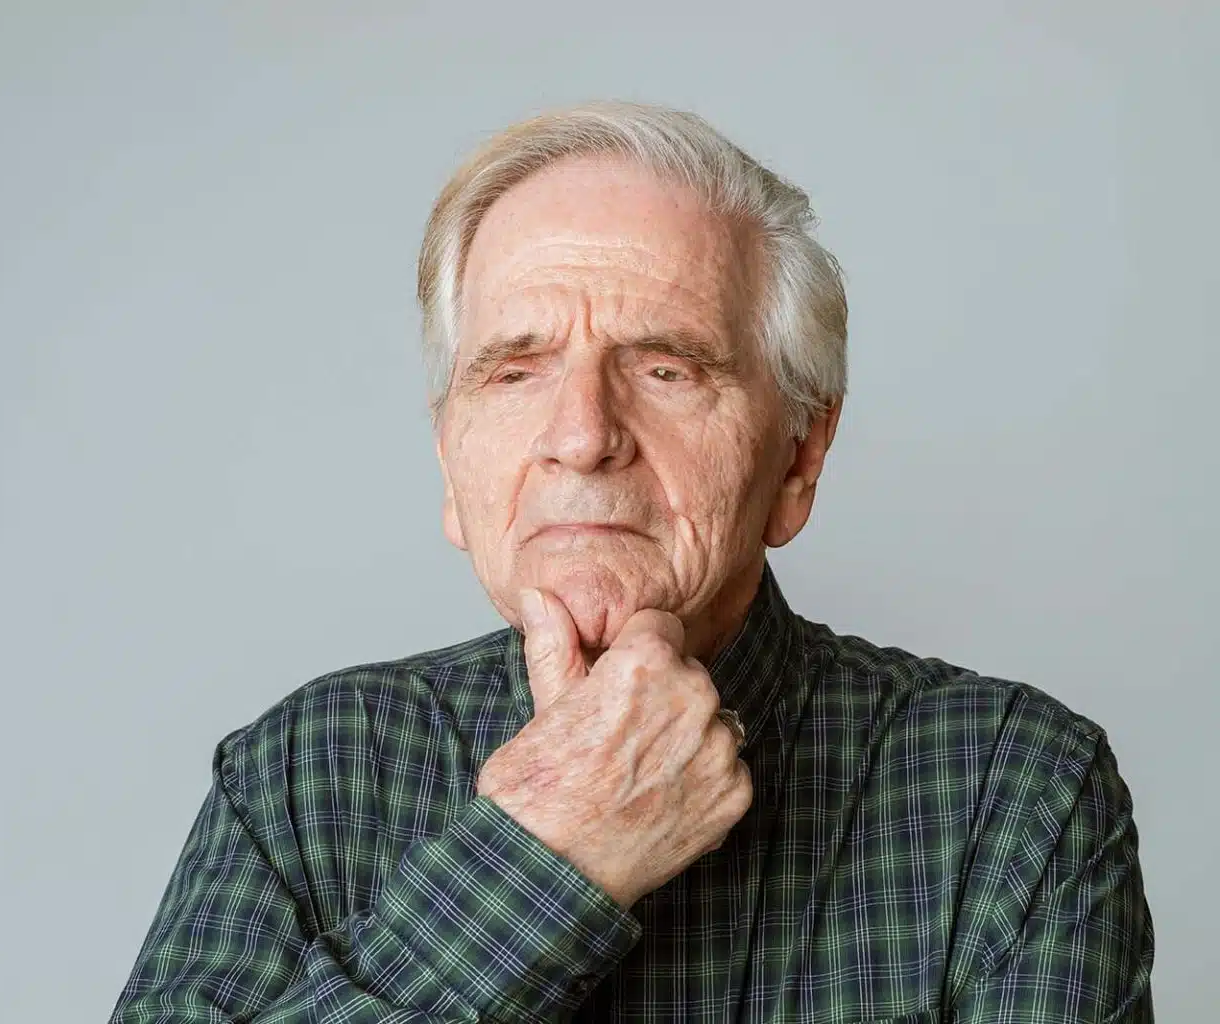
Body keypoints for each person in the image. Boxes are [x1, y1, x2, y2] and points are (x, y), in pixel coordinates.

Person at [109, 102, 1154, 1023]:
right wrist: (549, 853)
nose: (581, 434)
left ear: (799, 454)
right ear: (449, 463)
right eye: (514, 372)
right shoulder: (305, 772)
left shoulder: (1010, 793)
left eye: (664, 366)